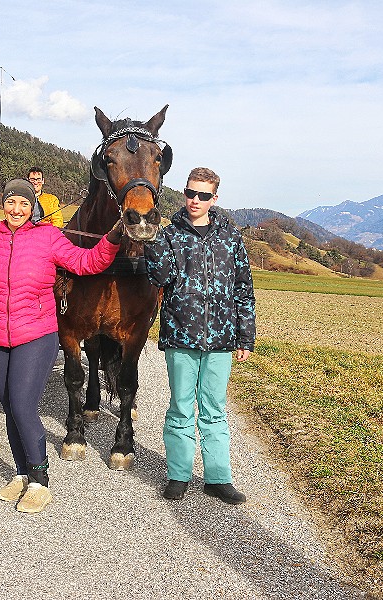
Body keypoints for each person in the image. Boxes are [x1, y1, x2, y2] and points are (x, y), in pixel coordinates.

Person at [0, 178, 123, 513]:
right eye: (11, 202)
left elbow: (87, 262)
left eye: (24, 203)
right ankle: (21, 474)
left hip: (36, 337)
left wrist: (111, 239)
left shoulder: (48, 237)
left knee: (23, 406)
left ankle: (40, 481)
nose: (17, 209)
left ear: (32, 207)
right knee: (11, 407)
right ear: (3, 205)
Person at [144, 167, 256, 505]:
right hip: (181, 335)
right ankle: (178, 475)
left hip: (221, 339)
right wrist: (152, 240)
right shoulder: (168, 235)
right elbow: (159, 277)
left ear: (214, 198)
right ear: (184, 193)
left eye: (203, 195)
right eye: (191, 193)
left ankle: (218, 478)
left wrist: (245, 337)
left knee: (214, 410)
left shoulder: (231, 238)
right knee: (180, 408)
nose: (195, 200)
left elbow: (243, 289)